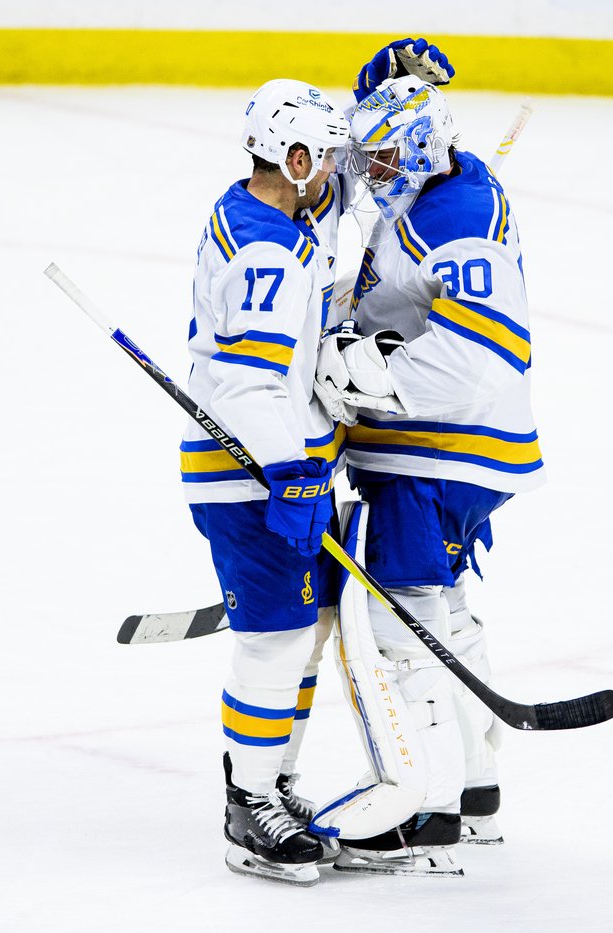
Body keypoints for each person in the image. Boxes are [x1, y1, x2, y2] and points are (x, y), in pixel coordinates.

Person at [312, 71, 543, 873]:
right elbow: (406, 297)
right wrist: (351, 313)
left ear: (417, 146)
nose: (369, 171)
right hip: (460, 453)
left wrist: (367, 375)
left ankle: (426, 805)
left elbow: (484, 355)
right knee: (442, 606)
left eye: (381, 156)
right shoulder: (443, 189)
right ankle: (474, 789)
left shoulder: (460, 221)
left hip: (437, 452)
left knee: (397, 622)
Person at [183, 77, 351, 886]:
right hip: (249, 475)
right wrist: (289, 473)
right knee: (276, 636)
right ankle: (249, 805)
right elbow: (247, 386)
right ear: (293, 156)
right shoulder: (266, 250)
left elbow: (338, 197)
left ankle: (273, 781)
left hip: (283, 469)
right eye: (322, 155)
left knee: (303, 630)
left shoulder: (269, 211)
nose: (334, 169)